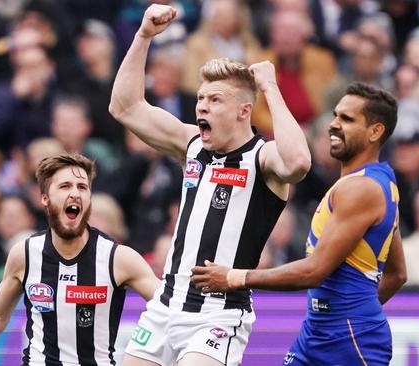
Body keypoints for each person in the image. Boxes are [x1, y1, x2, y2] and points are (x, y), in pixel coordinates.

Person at [108, 4, 311, 366]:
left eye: (215, 100)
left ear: (243, 111)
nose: (201, 107)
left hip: (218, 314)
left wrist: (269, 87)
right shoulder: (193, 145)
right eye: (201, 98)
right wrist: (143, 37)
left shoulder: (262, 158)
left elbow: (298, 163)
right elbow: (125, 108)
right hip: (164, 306)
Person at [191, 83, 407, 365]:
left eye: (347, 119)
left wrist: (234, 277)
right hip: (321, 333)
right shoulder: (376, 183)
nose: (333, 125)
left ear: (375, 131)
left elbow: (314, 271)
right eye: (335, 115)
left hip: (349, 341)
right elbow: (397, 273)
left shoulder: (361, 189)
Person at [0, 152, 161, 366]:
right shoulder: (25, 253)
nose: (75, 193)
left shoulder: (119, 258)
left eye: (82, 187)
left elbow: (169, 310)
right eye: (65, 186)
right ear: (45, 198)